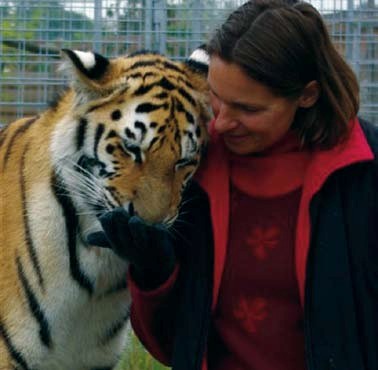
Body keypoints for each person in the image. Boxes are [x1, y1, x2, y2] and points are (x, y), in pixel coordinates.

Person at [88, 0, 378, 369]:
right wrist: (153, 276)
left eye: (248, 109)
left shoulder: (363, 172)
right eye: (216, 98)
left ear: (307, 95)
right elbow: (174, 346)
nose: (221, 124)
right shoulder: (196, 166)